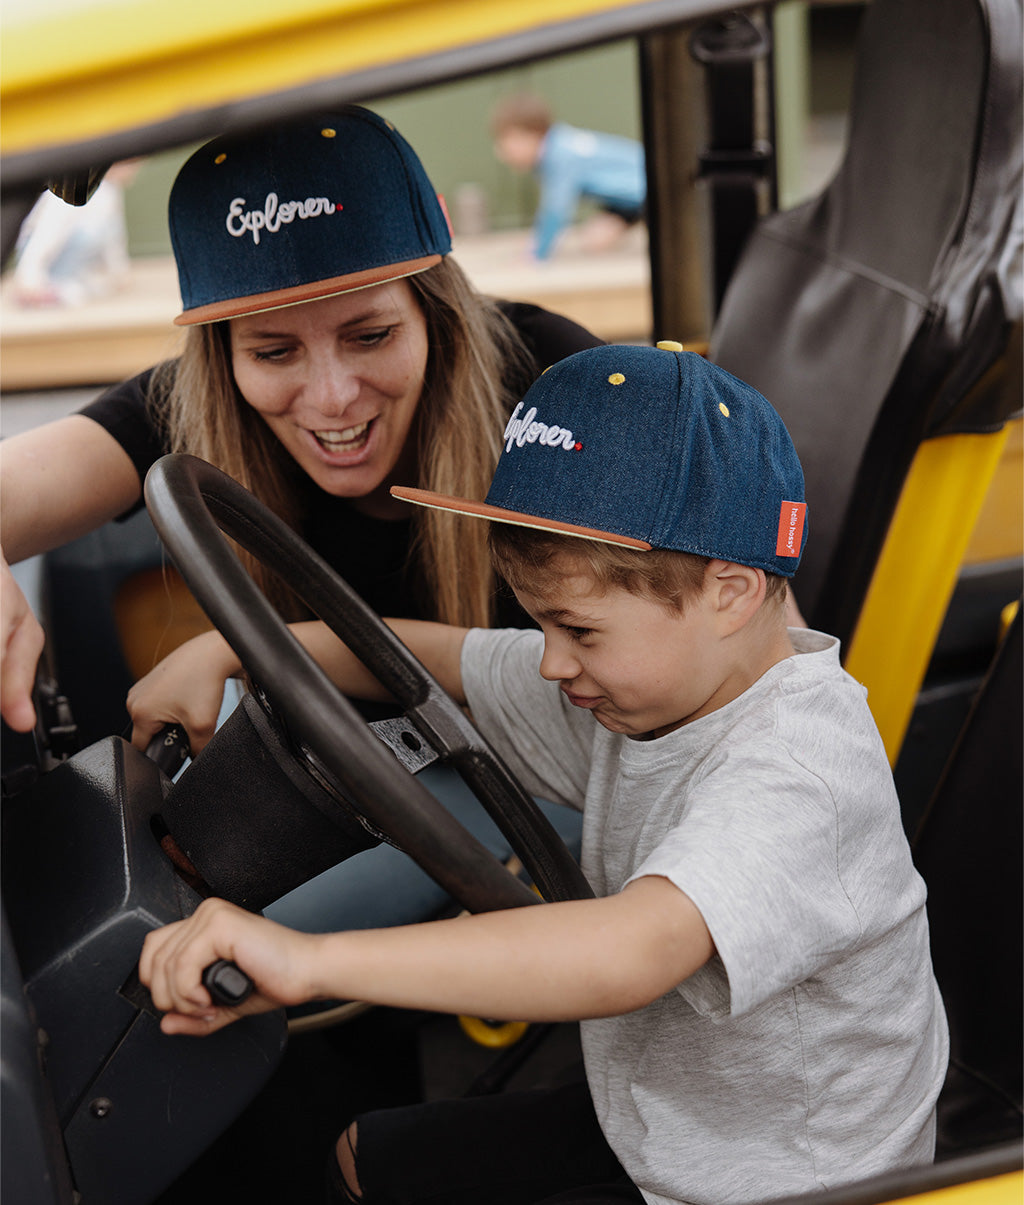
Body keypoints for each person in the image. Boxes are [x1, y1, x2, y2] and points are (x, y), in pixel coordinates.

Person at [139, 343, 948, 1205]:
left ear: (731, 592)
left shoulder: (800, 770)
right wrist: (223, 646)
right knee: (361, 1159)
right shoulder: (640, 689)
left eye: (580, 631)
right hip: (669, 1114)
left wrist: (308, 960)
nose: (553, 664)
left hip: (789, 1180)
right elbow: (425, 658)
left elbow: (631, 950)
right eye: (540, 626)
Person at [0, 104, 600, 929]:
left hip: (550, 777)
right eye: (273, 352)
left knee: (178, 944)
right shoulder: (193, 405)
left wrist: (250, 647)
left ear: (434, 310)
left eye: (370, 334)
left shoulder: (557, 390)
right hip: (348, 780)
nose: (330, 396)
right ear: (222, 353)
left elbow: (612, 679)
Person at [491, 92, 646, 261]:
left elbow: (555, 211)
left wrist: (536, 255)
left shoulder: (560, 155)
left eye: (509, 141)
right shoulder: (557, 144)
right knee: (595, 242)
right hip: (625, 205)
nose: (503, 152)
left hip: (645, 195)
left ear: (532, 134)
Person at [9, 159, 139, 308]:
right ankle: (46, 291)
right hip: (45, 266)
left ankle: (62, 288)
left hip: (72, 273)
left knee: (91, 288)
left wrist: (119, 272)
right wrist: (29, 278)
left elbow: (114, 240)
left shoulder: (110, 191)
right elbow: (47, 234)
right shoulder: (74, 189)